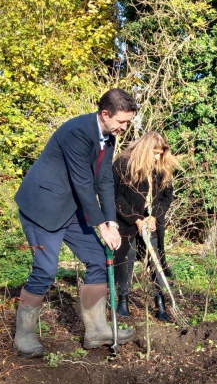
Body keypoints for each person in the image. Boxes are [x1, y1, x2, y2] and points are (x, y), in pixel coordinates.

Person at [13, 89, 138, 357]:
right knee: (45, 271)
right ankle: (24, 336)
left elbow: (104, 181)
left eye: (127, 122)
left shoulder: (108, 135)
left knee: (97, 258)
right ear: (105, 114)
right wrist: (100, 226)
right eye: (121, 121)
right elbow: (83, 182)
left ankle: (97, 330)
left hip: (70, 208)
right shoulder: (77, 133)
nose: (124, 127)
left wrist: (111, 222)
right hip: (43, 207)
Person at [112, 131, 177, 321]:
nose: (157, 157)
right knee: (127, 258)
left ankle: (161, 303)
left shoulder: (161, 168)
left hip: (151, 223)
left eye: (160, 153)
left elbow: (166, 196)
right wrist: (136, 219)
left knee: (155, 258)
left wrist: (154, 217)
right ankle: (122, 300)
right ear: (145, 149)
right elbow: (115, 196)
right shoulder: (124, 164)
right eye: (154, 152)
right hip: (126, 222)